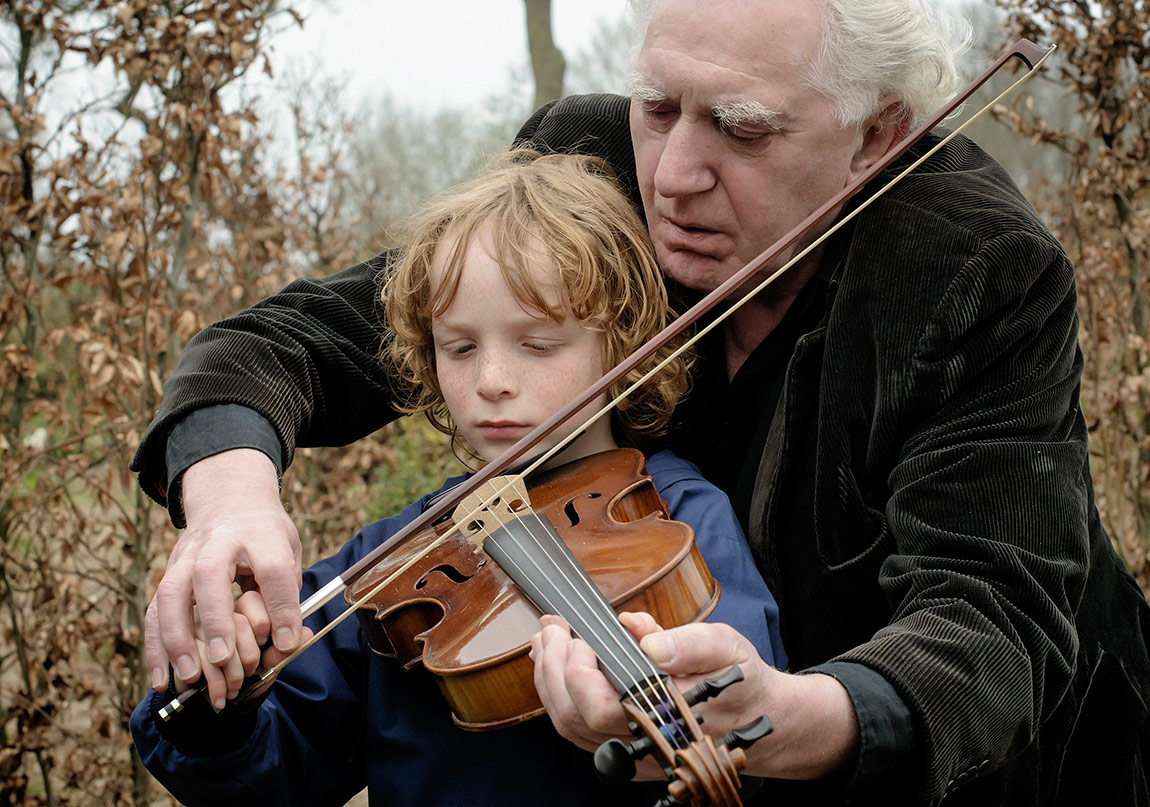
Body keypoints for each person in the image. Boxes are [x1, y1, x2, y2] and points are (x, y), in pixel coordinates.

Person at [134, 0, 1150, 804]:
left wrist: (791, 714)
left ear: (875, 135)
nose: (671, 174)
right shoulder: (588, 175)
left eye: (741, 129)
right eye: (656, 106)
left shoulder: (979, 268)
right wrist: (230, 500)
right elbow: (294, 342)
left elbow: (990, 620)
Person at [130, 150, 785, 806]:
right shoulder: (399, 565)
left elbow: (746, 717)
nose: (491, 381)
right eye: (460, 346)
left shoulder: (679, 522)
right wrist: (227, 702)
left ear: (619, 340)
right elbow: (272, 774)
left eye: (537, 343)